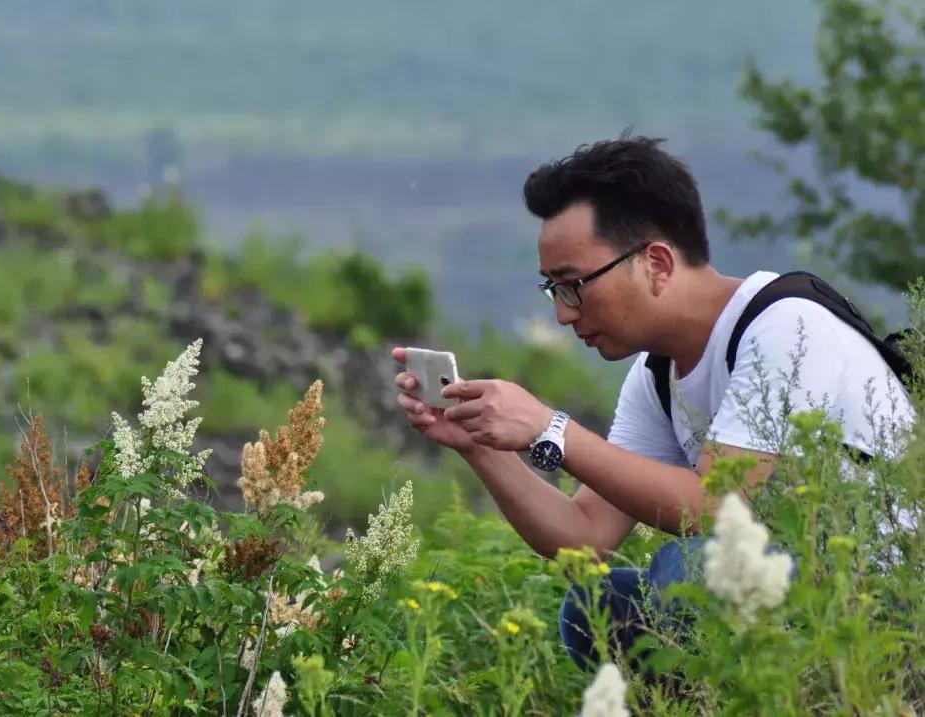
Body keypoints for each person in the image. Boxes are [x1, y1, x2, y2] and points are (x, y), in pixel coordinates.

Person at [390, 136, 916, 669]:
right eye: (552, 289)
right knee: (600, 607)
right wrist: (480, 446)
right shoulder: (657, 375)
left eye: (573, 284)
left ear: (657, 263)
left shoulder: (786, 326)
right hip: (807, 597)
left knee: (691, 571)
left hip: (891, 598)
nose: (564, 314)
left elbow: (715, 507)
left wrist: (552, 429)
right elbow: (586, 538)